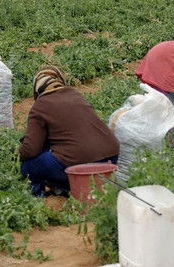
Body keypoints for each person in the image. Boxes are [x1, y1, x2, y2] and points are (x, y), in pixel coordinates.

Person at [18, 66, 121, 197]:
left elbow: (31, 149)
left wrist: (14, 155)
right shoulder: (75, 94)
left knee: (29, 166)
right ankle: (73, 187)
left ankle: (40, 197)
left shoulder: (40, 106)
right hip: (111, 155)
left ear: (37, 90)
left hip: (79, 160)